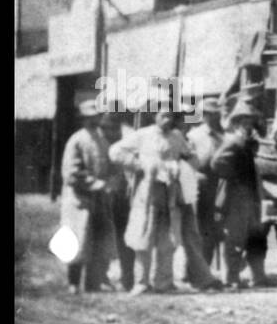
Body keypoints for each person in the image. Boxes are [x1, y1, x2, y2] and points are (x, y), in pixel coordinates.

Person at [110, 106, 221, 294]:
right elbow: (115, 151)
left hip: (171, 193)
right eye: (163, 115)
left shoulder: (177, 137)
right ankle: (142, 282)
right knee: (144, 237)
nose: (167, 119)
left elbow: (192, 157)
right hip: (148, 193)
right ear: (155, 116)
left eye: (170, 115)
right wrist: (139, 165)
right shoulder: (142, 135)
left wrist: (183, 166)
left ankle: (164, 282)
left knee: (168, 239)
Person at [212, 99, 271, 289]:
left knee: (255, 236)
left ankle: (257, 277)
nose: (248, 125)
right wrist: (234, 178)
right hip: (236, 197)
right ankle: (231, 278)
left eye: (250, 122)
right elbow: (217, 163)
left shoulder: (248, 142)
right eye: (244, 122)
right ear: (236, 123)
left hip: (251, 196)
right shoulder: (233, 142)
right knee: (235, 238)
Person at [58, 101, 114, 294]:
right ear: (83, 118)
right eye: (89, 117)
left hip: (99, 201)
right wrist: (94, 184)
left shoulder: (102, 140)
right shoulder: (76, 140)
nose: (94, 119)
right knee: (77, 241)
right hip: (79, 200)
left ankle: (93, 283)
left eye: (96, 116)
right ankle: (73, 282)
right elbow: (72, 173)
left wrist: (109, 183)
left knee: (98, 241)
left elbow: (109, 167)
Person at [186, 95, 225, 266]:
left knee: (215, 226)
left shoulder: (224, 135)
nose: (212, 117)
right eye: (208, 113)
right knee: (199, 228)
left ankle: (205, 267)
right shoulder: (194, 135)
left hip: (220, 183)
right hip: (201, 181)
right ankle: (194, 268)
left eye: (215, 113)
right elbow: (187, 161)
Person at [100, 111, 136, 292]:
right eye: (105, 128)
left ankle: (127, 277)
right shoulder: (97, 137)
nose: (108, 131)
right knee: (104, 236)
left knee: (124, 238)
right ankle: (102, 276)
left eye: (112, 128)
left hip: (124, 195)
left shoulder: (130, 136)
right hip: (102, 193)